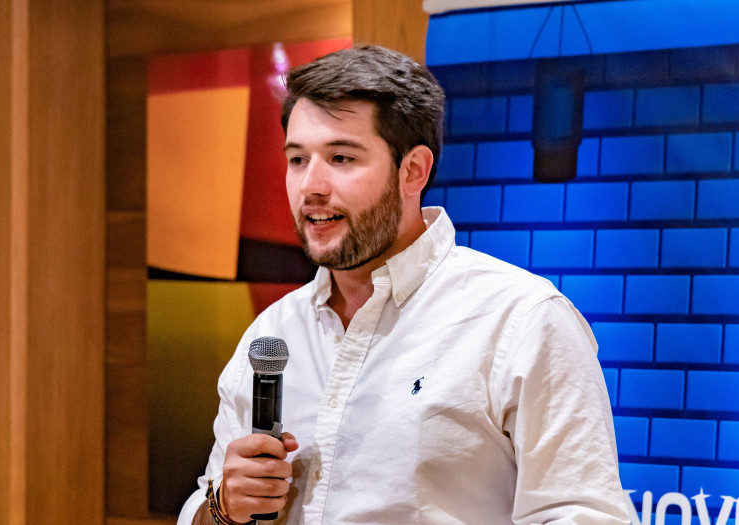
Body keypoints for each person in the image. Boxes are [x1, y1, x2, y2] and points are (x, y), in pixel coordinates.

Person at [179, 44, 631, 525]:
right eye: (297, 159)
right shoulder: (272, 333)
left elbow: (582, 515)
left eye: (341, 157)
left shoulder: (521, 320)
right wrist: (222, 507)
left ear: (413, 170)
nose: (310, 185)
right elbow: (205, 506)